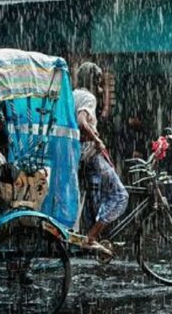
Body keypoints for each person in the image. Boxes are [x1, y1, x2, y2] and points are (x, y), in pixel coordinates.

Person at [74, 62, 128, 248]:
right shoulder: (88, 98)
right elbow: (81, 121)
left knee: (94, 196)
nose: (100, 85)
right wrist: (97, 140)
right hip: (91, 153)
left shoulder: (73, 95)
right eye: (98, 80)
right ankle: (91, 237)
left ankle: (95, 234)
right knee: (120, 196)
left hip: (77, 155)